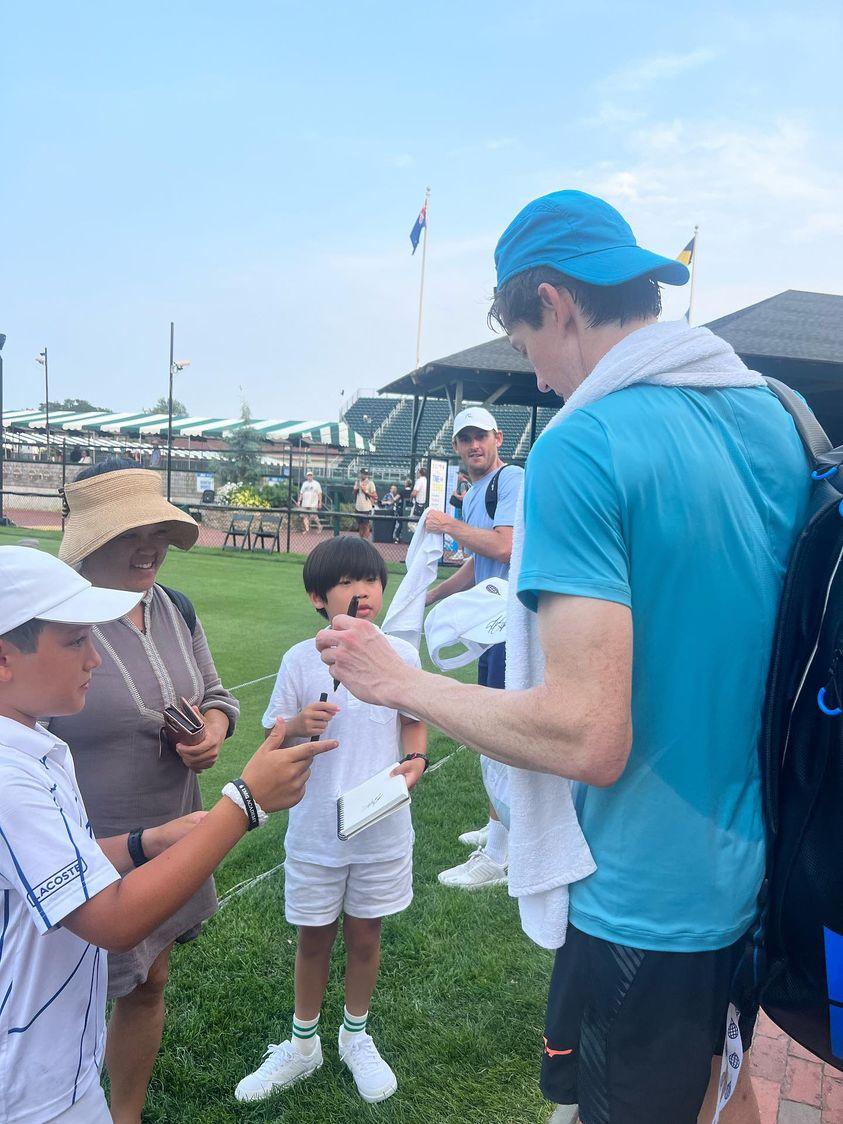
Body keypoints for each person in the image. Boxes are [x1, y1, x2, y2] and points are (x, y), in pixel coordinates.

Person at [315, 189, 813, 1124]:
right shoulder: (778, 420)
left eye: (524, 343)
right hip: (765, 864)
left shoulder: (586, 441)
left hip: (645, 888)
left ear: (555, 302)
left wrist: (398, 680)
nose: (539, 377)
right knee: (724, 1091)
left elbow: (587, 735)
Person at [0, 545, 336, 1124]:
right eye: (77, 642)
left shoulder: (33, 750)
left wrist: (142, 844)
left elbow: (50, 872)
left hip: (54, 1062)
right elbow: (111, 920)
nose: (94, 660)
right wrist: (245, 802)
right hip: (29, 1086)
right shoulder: (9, 774)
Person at [50, 459, 241, 1124]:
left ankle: (121, 1116)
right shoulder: (47, 618)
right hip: (76, 850)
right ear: (89, 539)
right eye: (131, 530)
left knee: (149, 977)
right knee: (57, 998)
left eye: (158, 528)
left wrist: (212, 731)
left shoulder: (172, 606)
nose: (150, 544)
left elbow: (215, 693)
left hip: (170, 831)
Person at [235, 536, 427, 1106]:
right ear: (319, 597)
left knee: (367, 933)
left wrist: (414, 763)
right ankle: (302, 1044)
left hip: (381, 820)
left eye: (372, 579)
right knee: (313, 936)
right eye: (347, 581)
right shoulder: (300, 659)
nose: (364, 590)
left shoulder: (402, 655)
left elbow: (415, 723)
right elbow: (274, 735)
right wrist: (297, 723)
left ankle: (355, 1033)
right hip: (317, 826)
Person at [424, 407, 523, 890]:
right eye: (464, 439)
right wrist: (432, 596)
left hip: (511, 625)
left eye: (479, 436)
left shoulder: (511, 480)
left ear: (497, 438)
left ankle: (500, 855)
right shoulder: (476, 494)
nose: (472, 445)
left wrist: (448, 525)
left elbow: (503, 548)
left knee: (499, 735)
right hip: (492, 626)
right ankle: (499, 824)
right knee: (493, 733)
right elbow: (477, 564)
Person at [352, 468, 378, 539]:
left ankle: (365, 541)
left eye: (366, 474)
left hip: (366, 508)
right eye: (363, 474)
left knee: (366, 525)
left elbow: (375, 496)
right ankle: (361, 540)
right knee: (360, 525)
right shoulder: (357, 482)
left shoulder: (370, 483)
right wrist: (356, 489)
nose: (364, 475)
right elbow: (354, 493)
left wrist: (365, 492)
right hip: (358, 507)